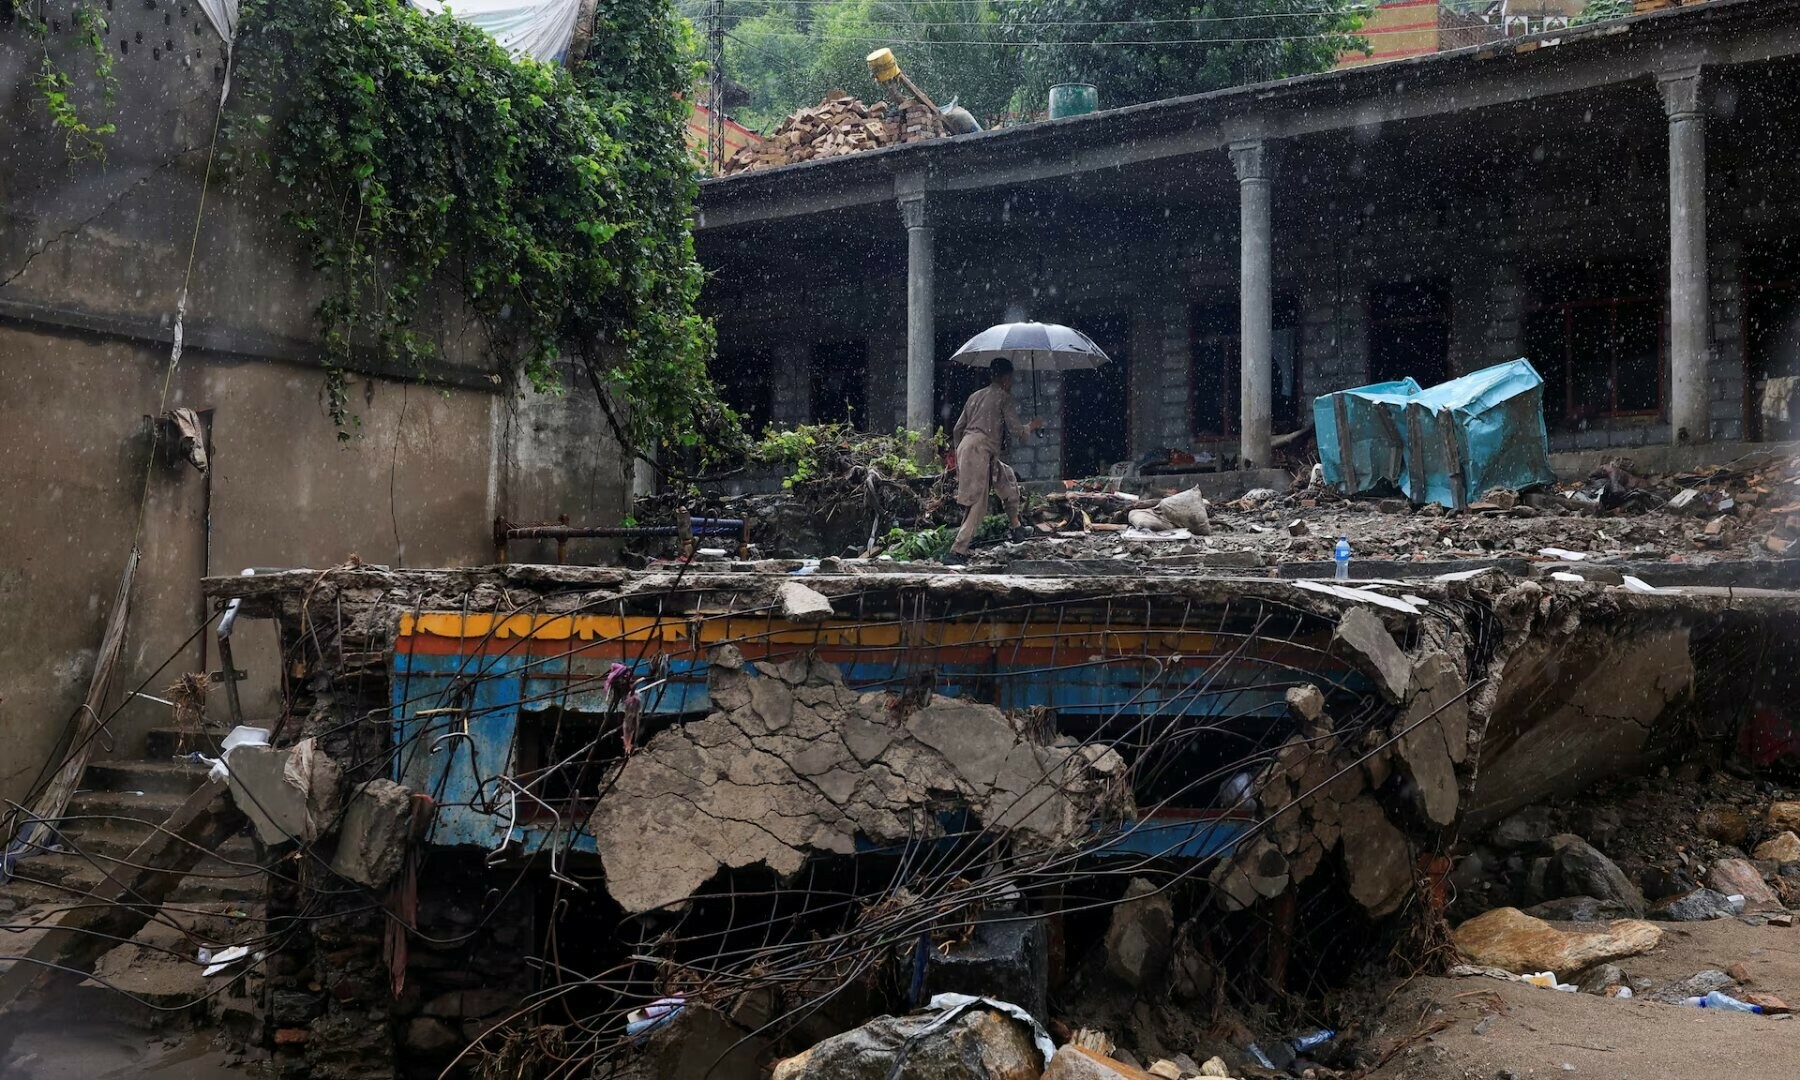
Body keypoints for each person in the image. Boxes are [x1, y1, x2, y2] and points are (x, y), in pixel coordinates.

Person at [945, 357, 1043, 565]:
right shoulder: (1003, 397)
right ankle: (957, 551)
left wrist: (959, 454)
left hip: (971, 448)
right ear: (1006, 378)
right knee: (978, 503)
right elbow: (1018, 432)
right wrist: (1033, 426)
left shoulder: (975, 396)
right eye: (1012, 379)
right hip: (979, 451)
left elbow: (956, 429)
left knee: (1008, 482)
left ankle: (1016, 528)